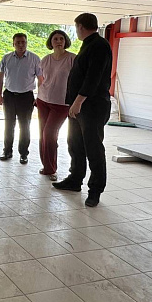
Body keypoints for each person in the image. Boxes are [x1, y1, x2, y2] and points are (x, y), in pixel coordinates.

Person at [53, 13, 112, 208]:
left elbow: (93, 78)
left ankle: (95, 189)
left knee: (93, 147)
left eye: (76, 27)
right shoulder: (88, 44)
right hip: (79, 106)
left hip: (92, 106)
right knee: (75, 143)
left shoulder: (99, 45)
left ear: (80, 26)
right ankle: (75, 179)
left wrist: (78, 101)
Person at [0, 33, 42, 164]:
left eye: (23, 42)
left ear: (26, 43)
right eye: (18, 42)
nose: (21, 45)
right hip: (9, 96)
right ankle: (7, 151)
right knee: (8, 125)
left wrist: (39, 96)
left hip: (26, 97)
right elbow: (0, 76)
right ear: (13, 44)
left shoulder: (34, 59)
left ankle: (23, 153)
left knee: (25, 126)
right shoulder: (6, 58)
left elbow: (41, 79)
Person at [37, 30, 76, 181]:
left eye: (61, 39)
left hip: (62, 103)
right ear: (51, 42)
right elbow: (41, 79)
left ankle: (51, 168)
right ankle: (46, 167)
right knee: (43, 134)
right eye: (55, 39)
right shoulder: (45, 59)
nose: (58, 41)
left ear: (65, 41)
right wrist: (37, 94)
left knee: (50, 133)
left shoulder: (72, 59)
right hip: (43, 100)